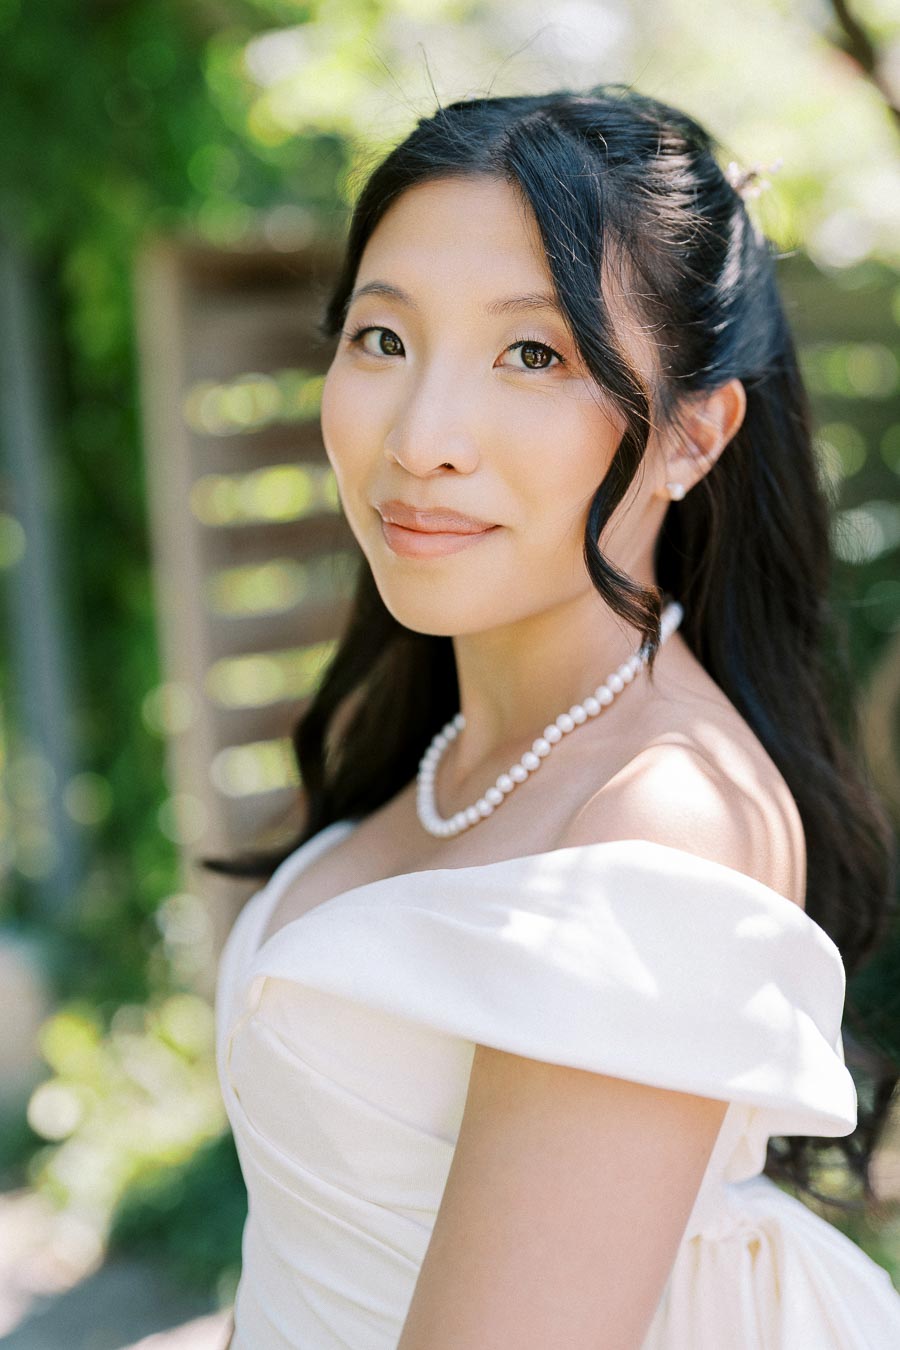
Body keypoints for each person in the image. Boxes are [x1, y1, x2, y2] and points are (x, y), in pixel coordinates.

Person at [209, 84, 900, 1347]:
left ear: (692, 434)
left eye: (535, 355)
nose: (422, 437)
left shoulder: (661, 821)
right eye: (382, 338)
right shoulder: (450, 741)